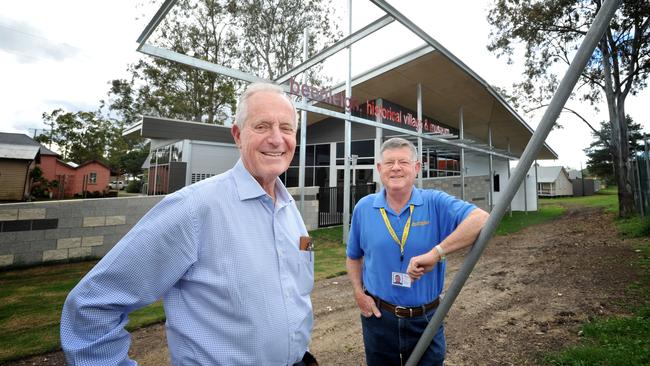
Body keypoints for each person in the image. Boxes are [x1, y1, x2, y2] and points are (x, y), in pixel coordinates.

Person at [61, 83, 318, 366]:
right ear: (237, 135)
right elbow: (91, 306)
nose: (276, 139)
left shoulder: (289, 208)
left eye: (286, 128)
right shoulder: (193, 209)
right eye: (262, 126)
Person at [346, 137, 489, 365]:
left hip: (426, 319)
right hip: (379, 318)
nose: (396, 168)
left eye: (403, 162)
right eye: (389, 162)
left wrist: (437, 252)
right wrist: (358, 292)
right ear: (379, 169)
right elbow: (353, 256)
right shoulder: (364, 207)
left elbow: (481, 219)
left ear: (416, 168)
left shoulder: (435, 202)